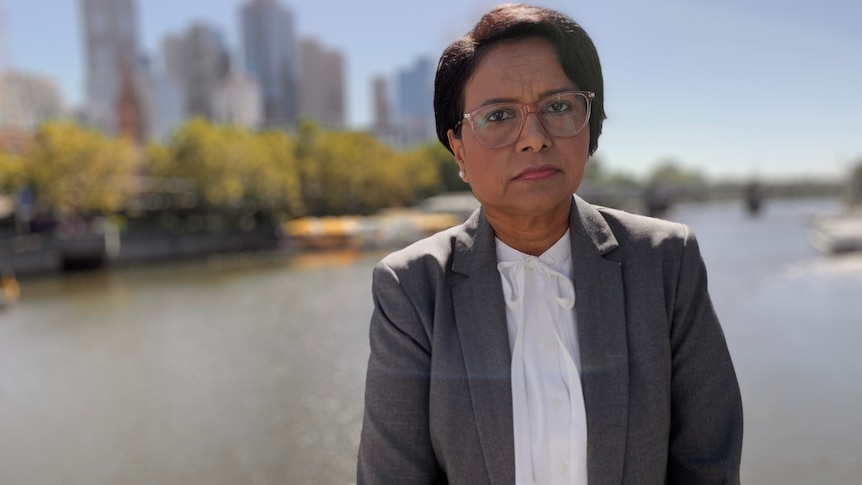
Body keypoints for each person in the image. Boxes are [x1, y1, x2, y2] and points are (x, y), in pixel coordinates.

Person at [357, 4, 743, 484]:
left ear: (590, 123)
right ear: (459, 149)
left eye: (559, 106)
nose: (534, 138)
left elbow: (708, 462)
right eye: (499, 116)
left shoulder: (665, 261)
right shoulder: (413, 288)